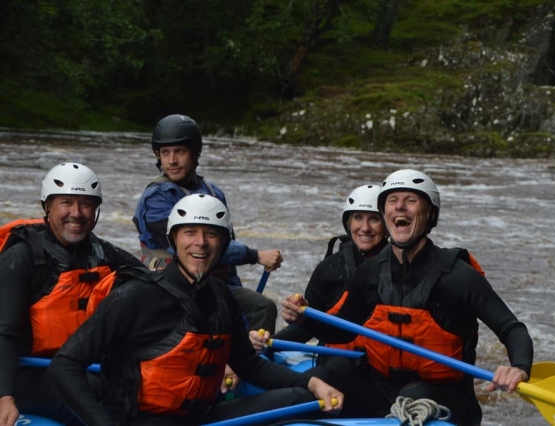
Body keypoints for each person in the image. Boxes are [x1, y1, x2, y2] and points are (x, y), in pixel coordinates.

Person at [49, 194, 343, 426]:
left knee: (301, 397)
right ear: (174, 240)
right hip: (142, 420)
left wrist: (314, 382)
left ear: (223, 243)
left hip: (203, 417)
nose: (200, 243)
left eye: (211, 234)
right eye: (190, 232)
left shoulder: (221, 297)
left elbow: (250, 366)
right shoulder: (135, 296)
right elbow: (65, 365)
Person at [281, 169, 533, 425]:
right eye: (392, 201)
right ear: (386, 213)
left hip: (446, 399)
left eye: (411, 200)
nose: (399, 206)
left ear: (430, 214)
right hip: (381, 391)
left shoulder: (458, 276)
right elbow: (343, 331)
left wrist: (518, 367)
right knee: (320, 378)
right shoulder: (370, 273)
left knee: (413, 395)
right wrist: (304, 318)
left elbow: (512, 328)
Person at [0, 163, 145, 426]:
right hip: (26, 371)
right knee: (95, 402)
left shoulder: (103, 253)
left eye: (86, 204)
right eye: (66, 203)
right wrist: (4, 397)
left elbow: (156, 285)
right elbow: (5, 333)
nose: (76, 213)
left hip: (79, 368)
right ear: (47, 207)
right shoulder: (21, 258)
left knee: (130, 393)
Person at [132, 113, 281, 334]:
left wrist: (234, 300)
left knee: (262, 307)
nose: (172, 160)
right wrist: (254, 255)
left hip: (213, 286)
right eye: (165, 153)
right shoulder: (156, 198)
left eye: (179, 152)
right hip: (169, 287)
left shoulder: (213, 193)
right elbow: (192, 247)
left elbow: (224, 249)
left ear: (194, 153)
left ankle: (249, 362)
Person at [250, 184, 388, 356]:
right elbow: (306, 328)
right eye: (358, 218)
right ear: (348, 223)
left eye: (374, 219)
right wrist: (269, 344)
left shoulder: (399, 267)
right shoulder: (330, 268)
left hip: (382, 361)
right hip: (338, 358)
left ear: (387, 224)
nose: (365, 228)